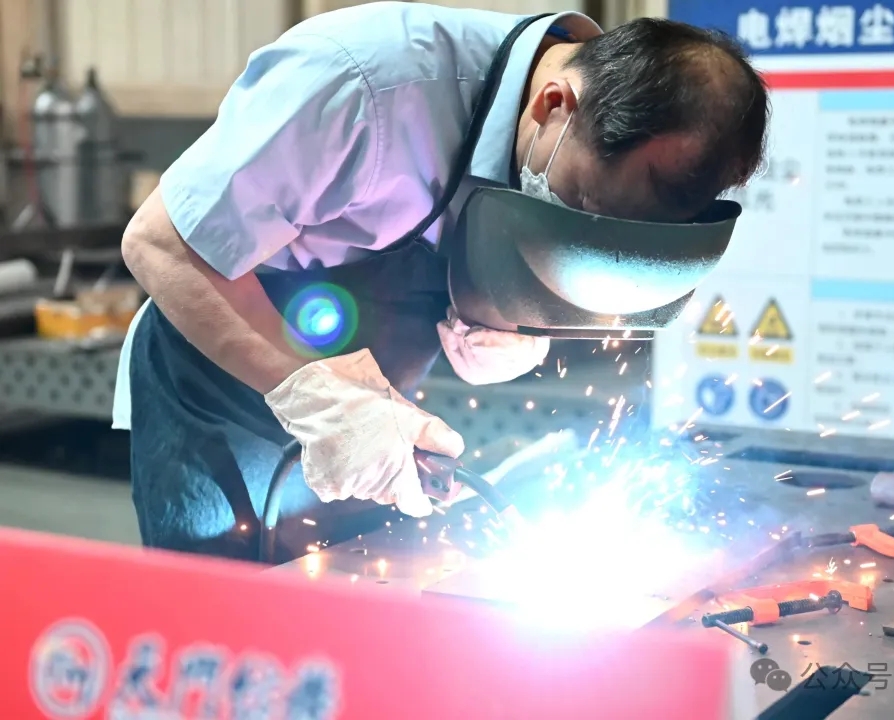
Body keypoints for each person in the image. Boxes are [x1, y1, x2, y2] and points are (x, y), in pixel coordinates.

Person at [116, 3, 770, 562]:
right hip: (225, 378)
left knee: (351, 606)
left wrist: (500, 314)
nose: (578, 217)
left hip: (376, 401)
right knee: (238, 625)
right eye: (582, 204)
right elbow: (161, 243)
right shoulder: (360, 86)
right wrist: (323, 400)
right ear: (553, 106)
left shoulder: (578, 135)